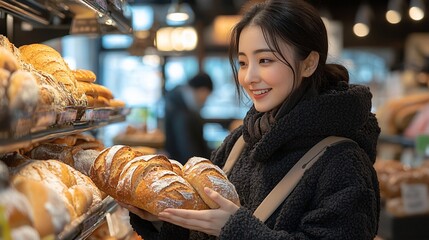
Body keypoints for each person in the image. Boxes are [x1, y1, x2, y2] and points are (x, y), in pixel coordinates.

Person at [121, 0, 381, 239]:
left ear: (309, 63)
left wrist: (237, 230)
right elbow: (202, 229)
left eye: (265, 60)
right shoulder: (240, 142)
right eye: (243, 62)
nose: (248, 77)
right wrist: (164, 219)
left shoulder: (344, 161)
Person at [163, 72, 214, 164]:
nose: (205, 100)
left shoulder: (179, 100)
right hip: (185, 167)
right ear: (202, 90)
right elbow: (187, 147)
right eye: (207, 95)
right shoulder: (182, 110)